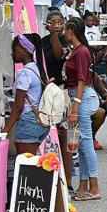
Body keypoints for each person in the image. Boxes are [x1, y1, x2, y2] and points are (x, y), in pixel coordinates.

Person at [65, 17, 102, 201]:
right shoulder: (78, 51)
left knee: (86, 143)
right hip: (80, 97)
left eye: (66, 29)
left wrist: (75, 107)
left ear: (71, 30)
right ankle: (84, 184)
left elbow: (82, 80)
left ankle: (94, 186)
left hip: (81, 98)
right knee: (82, 143)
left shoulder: (80, 52)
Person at [41, 10, 74, 185]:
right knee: (48, 135)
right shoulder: (42, 41)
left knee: (65, 137)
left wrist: (54, 34)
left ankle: (67, 180)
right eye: (53, 22)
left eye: (60, 21)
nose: (57, 25)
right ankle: (51, 178)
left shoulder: (67, 40)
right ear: (47, 24)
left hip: (63, 92)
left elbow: (58, 55)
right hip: (47, 91)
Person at [3, 34, 48, 155]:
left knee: (26, 166)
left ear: (23, 49)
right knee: (33, 163)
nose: (12, 54)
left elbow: (18, 107)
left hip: (28, 123)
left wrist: (4, 131)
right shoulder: (38, 69)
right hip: (40, 121)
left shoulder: (24, 73)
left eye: (14, 49)